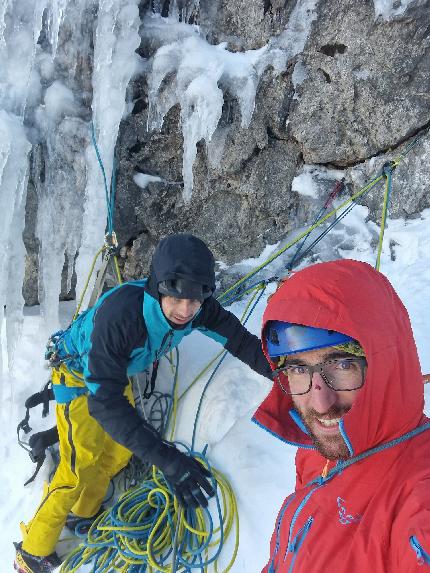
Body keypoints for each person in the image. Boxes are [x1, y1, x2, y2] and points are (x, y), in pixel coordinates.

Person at [15, 233, 271, 573]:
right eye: (177, 298)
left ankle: (84, 512)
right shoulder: (121, 318)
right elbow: (104, 405)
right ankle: (32, 551)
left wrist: (288, 373)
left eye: (194, 301)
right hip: (78, 379)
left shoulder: (197, 306)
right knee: (78, 469)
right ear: (158, 287)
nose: (185, 311)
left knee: (119, 452)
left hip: (113, 376)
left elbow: (240, 341)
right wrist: (170, 461)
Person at [253, 259, 430, 572]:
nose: (320, 403)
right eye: (297, 368)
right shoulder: (318, 449)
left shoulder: (418, 500)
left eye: (343, 364)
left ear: (386, 362)